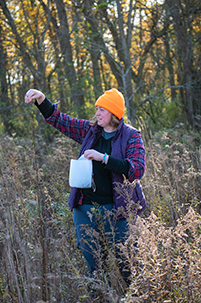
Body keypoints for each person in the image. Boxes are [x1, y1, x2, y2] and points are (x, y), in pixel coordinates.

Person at [25, 88, 146, 289]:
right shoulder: (91, 130)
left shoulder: (131, 136)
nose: (97, 113)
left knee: (128, 265)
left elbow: (137, 169)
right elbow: (61, 121)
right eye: (97, 109)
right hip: (84, 209)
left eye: (102, 110)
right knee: (95, 269)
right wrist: (42, 100)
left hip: (117, 212)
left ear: (114, 113)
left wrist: (104, 158)